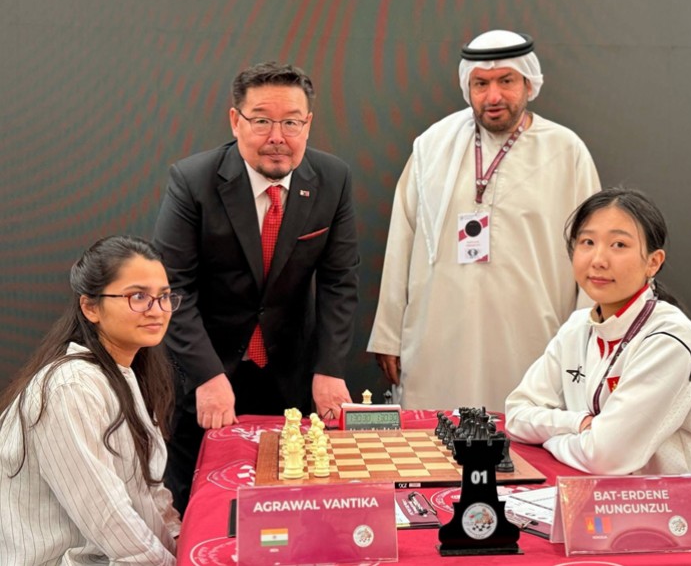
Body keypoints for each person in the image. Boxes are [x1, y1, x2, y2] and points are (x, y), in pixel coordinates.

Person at [153, 61, 359, 512]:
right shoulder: (193, 181)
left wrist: (330, 367)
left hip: (291, 370)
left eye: (291, 123)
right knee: (199, 503)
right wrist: (206, 375)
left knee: (292, 502)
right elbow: (173, 288)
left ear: (308, 124)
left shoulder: (333, 179)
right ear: (236, 120)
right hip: (206, 368)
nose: (277, 137)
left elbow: (339, 282)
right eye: (262, 121)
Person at [505, 188, 691, 552]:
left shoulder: (669, 338)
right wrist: (579, 424)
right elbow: (516, 414)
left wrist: (552, 436)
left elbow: (607, 456)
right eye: (587, 242)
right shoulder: (577, 327)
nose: (598, 259)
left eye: (618, 245)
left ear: (653, 262)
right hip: (612, 516)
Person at [368, 29, 600, 411]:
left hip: (533, 341)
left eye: (506, 81)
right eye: (481, 84)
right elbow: (401, 241)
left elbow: (594, 250)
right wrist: (388, 335)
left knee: (525, 434)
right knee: (433, 437)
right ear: (468, 87)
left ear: (529, 84)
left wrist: (588, 339)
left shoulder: (566, 151)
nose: (493, 97)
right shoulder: (431, 147)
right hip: (438, 343)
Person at [0, 236, 181, 565]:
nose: (157, 310)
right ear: (90, 307)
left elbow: (150, 493)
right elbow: (107, 516)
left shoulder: (128, 373)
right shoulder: (71, 388)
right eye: (138, 296)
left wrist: (182, 544)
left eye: (164, 297)